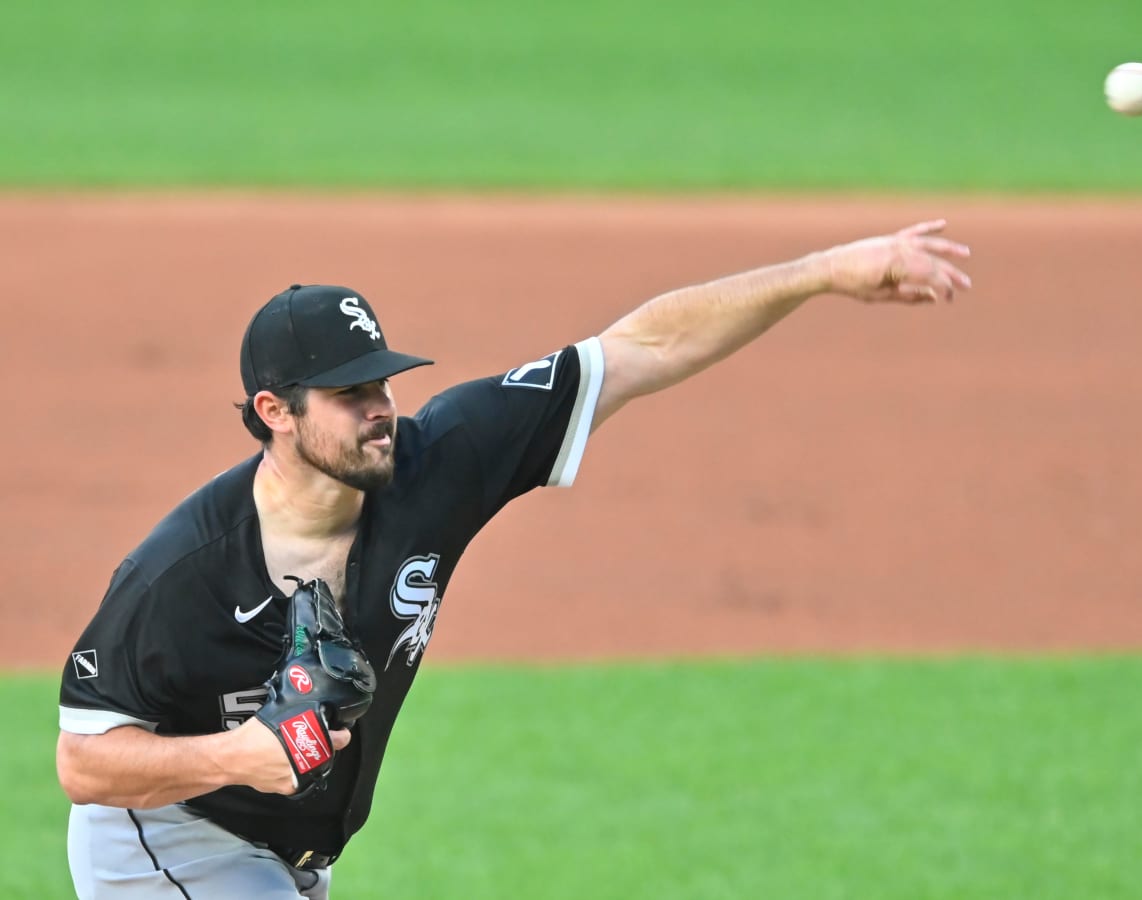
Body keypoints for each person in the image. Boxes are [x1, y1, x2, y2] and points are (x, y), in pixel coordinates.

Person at [57, 219, 971, 898]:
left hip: (288, 855)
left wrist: (820, 273)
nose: (380, 407)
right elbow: (85, 764)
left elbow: (639, 348)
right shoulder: (182, 574)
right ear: (275, 413)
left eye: (379, 380)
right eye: (346, 394)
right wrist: (241, 758)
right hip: (169, 844)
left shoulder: (436, 461)